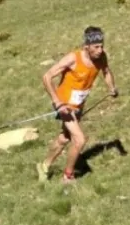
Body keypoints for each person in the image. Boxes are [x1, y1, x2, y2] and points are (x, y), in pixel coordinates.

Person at [37, 26, 118, 183]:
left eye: (102, 46)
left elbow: (106, 72)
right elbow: (47, 77)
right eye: (96, 47)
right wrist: (57, 102)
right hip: (64, 104)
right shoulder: (73, 58)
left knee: (65, 137)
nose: (100, 50)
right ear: (86, 46)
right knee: (80, 139)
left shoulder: (101, 57)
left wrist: (111, 88)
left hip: (78, 104)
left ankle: (44, 166)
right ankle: (68, 176)